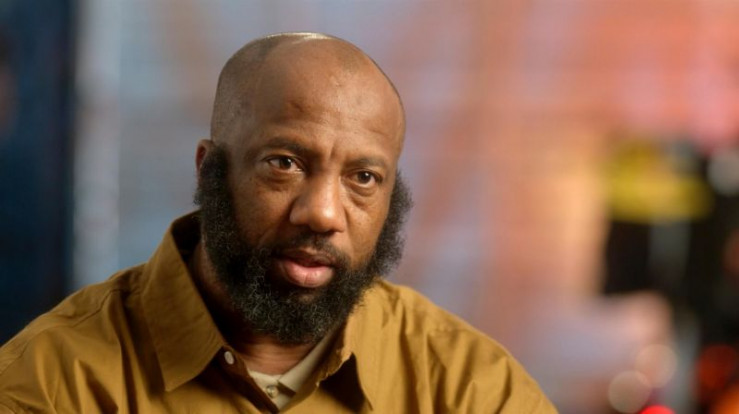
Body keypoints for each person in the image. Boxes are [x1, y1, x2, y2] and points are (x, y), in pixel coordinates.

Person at [0, 32, 557, 413]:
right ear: (210, 170)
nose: (323, 214)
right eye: (284, 164)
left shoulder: (471, 387)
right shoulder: (52, 382)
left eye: (363, 178)